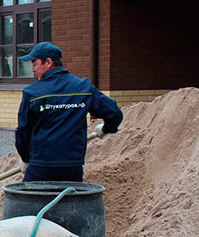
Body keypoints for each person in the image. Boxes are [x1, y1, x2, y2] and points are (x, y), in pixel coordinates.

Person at [15, 42, 123, 182]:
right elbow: (115, 113)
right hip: (72, 166)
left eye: (35, 64)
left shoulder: (33, 92)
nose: (33, 69)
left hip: (42, 166)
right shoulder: (83, 87)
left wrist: (25, 159)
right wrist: (107, 128)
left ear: (48, 62)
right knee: (70, 202)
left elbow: (23, 131)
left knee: (29, 202)